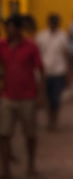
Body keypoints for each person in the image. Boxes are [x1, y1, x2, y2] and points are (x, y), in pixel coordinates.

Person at [0, 15, 44, 178]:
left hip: (28, 97)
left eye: (12, 28)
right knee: (4, 134)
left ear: (19, 30)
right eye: (7, 28)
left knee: (30, 134)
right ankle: (5, 169)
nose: (9, 31)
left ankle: (31, 165)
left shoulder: (31, 47)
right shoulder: (2, 45)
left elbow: (40, 69)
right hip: (7, 96)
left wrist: (41, 95)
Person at [35, 13, 72, 131]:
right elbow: (37, 55)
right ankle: (50, 120)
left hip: (58, 72)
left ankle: (54, 121)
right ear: (49, 22)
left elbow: (67, 54)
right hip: (45, 72)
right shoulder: (41, 36)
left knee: (55, 99)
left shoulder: (63, 36)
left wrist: (68, 72)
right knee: (47, 98)